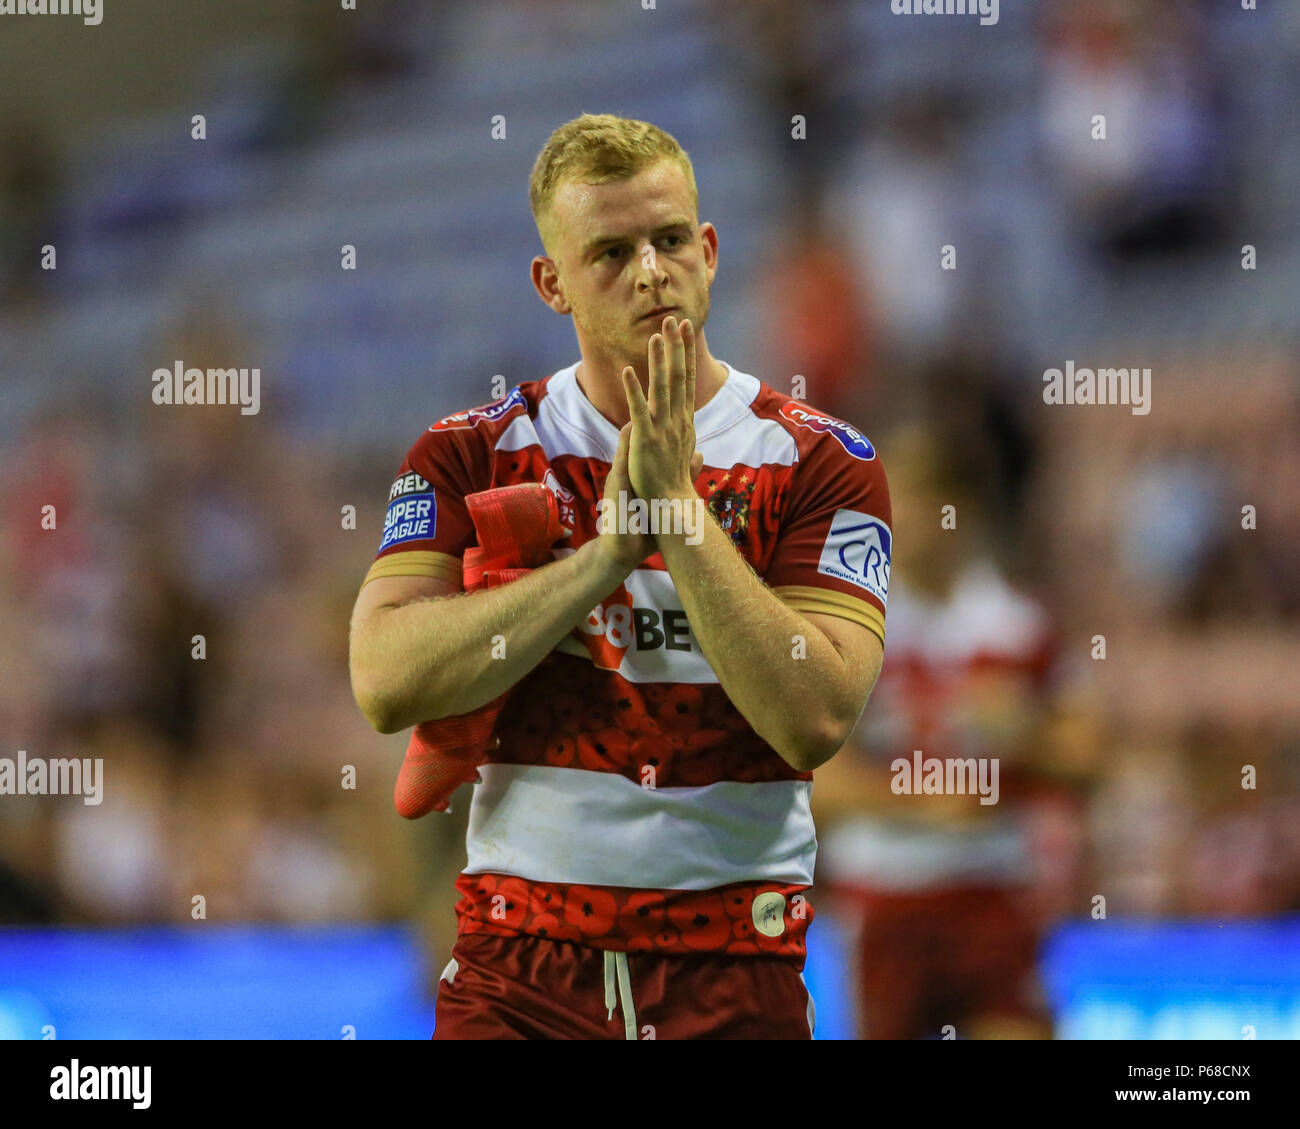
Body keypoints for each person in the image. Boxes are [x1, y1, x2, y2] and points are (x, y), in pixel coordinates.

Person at [348, 114, 892, 1039]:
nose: (650, 271)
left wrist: (676, 511)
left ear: (710, 251)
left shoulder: (820, 461)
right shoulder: (472, 452)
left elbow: (816, 717)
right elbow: (385, 680)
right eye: (610, 251)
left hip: (732, 965)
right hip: (517, 968)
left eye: (670, 239)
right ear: (551, 282)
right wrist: (602, 559)